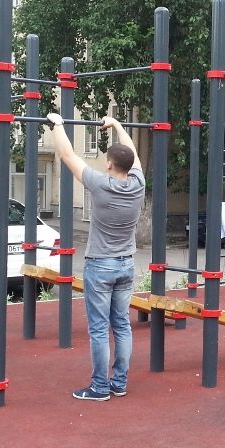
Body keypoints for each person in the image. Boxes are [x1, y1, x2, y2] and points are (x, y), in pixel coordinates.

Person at [47, 112, 145, 402]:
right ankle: (119, 382)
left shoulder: (101, 184)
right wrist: (116, 124)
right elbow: (134, 154)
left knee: (100, 330)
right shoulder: (138, 183)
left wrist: (58, 124)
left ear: (109, 164)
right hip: (127, 264)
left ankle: (100, 387)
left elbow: (67, 155)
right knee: (122, 325)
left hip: (101, 265)